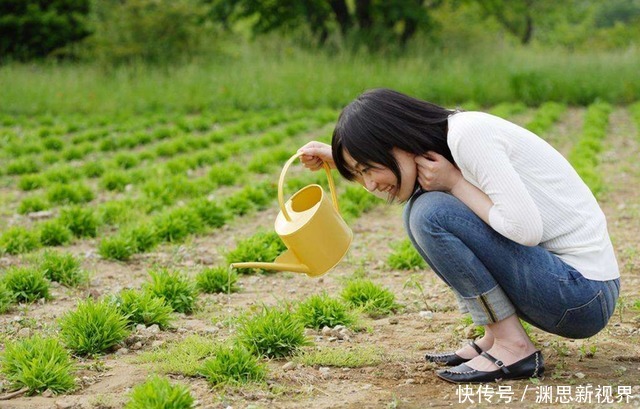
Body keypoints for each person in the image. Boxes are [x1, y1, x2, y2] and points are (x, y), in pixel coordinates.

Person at [297, 88, 620, 383]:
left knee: (431, 213)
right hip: (565, 285)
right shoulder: (447, 141)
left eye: (368, 168)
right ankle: (497, 337)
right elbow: (405, 178)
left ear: (398, 140)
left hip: (583, 295)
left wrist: (455, 184)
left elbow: (526, 229)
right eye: (359, 173)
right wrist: (342, 159)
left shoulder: (469, 136)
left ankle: (513, 345)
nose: (369, 184)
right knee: (419, 210)